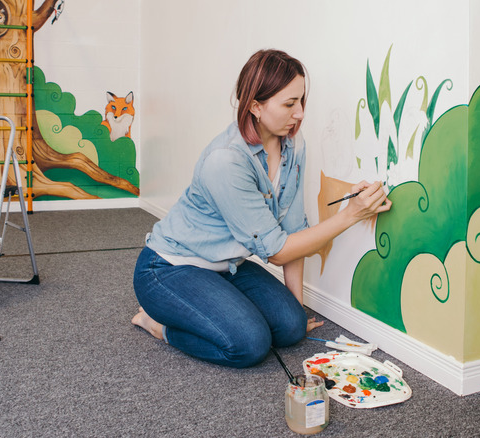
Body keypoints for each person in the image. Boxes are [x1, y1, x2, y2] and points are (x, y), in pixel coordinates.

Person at [132, 49, 391, 368]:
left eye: (301, 101)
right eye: (288, 104)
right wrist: (351, 214)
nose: (299, 114)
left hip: (227, 267)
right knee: (249, 345)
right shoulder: (225, 161)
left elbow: (294, 230)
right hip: (168, 268)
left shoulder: (295, 146)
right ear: (255, 105)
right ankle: (158, 325)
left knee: (290, 328)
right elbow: (278, 252)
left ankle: (219, 307)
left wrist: (294, 312)